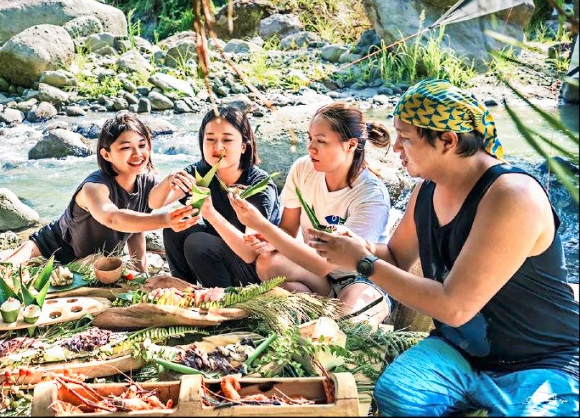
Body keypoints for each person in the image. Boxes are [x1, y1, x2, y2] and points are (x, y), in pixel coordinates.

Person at [307, 79, 579, 416]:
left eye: (405, 138)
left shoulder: (512, 196)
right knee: (395, 396)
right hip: (459, 352)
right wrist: (355, 245)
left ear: (447, 140)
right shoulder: (426, 192)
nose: (395, 148)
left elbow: (454, 307)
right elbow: (396, 258)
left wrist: (362, 262)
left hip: (540, 361)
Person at [229, 103, 394, 327]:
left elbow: (323, 264)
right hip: (321, 278)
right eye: (310, 139)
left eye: (322, 141)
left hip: (360, 279)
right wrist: (266, 239)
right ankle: (314, 311)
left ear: (351, 145)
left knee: (347, 328)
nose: (311, 148)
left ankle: (322, 314)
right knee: (267, 262)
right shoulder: (303, 169)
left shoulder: (371, 194)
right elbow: (288, 230)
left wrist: (261, 224)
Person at [5, 111, 197, 271]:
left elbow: (137, 228)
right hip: (48, 251)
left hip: (92, 264)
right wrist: (166, 220)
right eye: (126, 148)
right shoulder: (93, 187)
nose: (138, 154)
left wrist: (141, 273)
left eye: (142, 145)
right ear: (106, 154)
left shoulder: (147, 183)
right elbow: (113, 218)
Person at [148, 106, 281, 287]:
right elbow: (155, 203)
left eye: (227, 140)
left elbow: (250, 253)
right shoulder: (201, 172)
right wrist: (168, 181)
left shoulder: (258, 185)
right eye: (210, 139)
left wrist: (210, 213)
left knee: (198, 241)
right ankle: (183, 289)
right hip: (219, 250)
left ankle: (221, 298)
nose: (217, 147)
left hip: (256, 270)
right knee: (174, 229)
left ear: (243, 146)